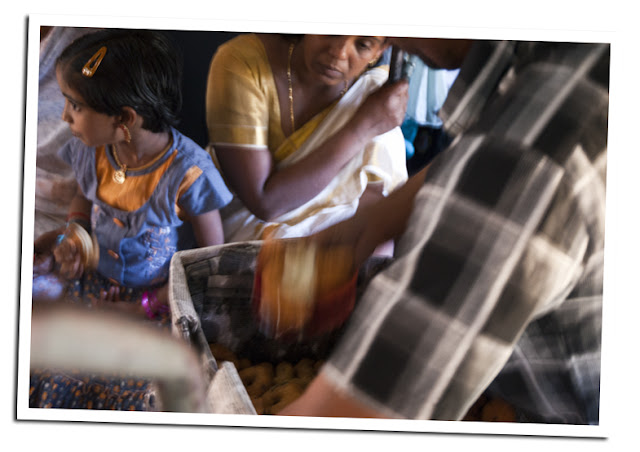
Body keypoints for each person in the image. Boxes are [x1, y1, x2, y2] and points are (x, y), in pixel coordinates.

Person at [277, 38, 608, 425]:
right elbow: (487, 159)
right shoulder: (578, 58)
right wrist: (370, 225)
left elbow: (353, 420)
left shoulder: (529, 151)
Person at [32, 28, 232, 321]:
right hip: (95, 276)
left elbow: (208, 259)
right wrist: (75, 237)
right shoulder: (92, 149)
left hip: (160, 298)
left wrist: (148, 306)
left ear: (124, 118)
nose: (64, 116)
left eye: (75, 105)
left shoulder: (188, 174)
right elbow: (82, 196)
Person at [205, 33, 409, 246]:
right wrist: (361, 128)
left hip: (330, 245)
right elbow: (265, 205)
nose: (339, 53)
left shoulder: (376, 94)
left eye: (363, 45)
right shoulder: (243, 61)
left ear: (380, 50)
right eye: (331, 32)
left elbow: (374, 212)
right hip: (237, 240)